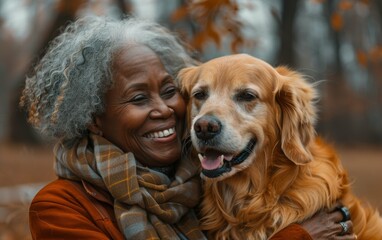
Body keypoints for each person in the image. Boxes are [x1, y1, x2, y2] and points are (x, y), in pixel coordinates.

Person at [21, 15, 356, 239]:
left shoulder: (207, 185)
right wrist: (299, 237)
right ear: (93, 117)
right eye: (138, 99)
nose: (164, 109)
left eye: (170, 92)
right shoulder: (59, 208)